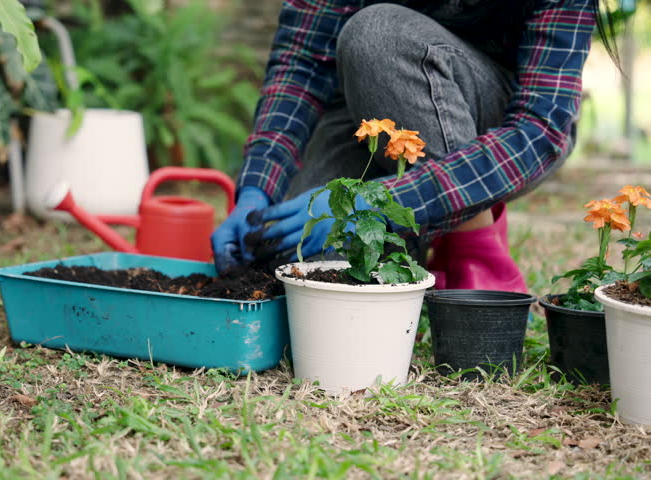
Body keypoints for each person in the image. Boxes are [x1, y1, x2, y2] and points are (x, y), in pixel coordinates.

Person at [211, 0, 618, 291]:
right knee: (298, 266)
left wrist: (386, 203)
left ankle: (473, 242)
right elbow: (302, 60)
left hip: (498, 118)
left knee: (378, 35)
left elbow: (541, 129)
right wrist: (256, 188)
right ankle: (421, 247)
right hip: (362, 108)